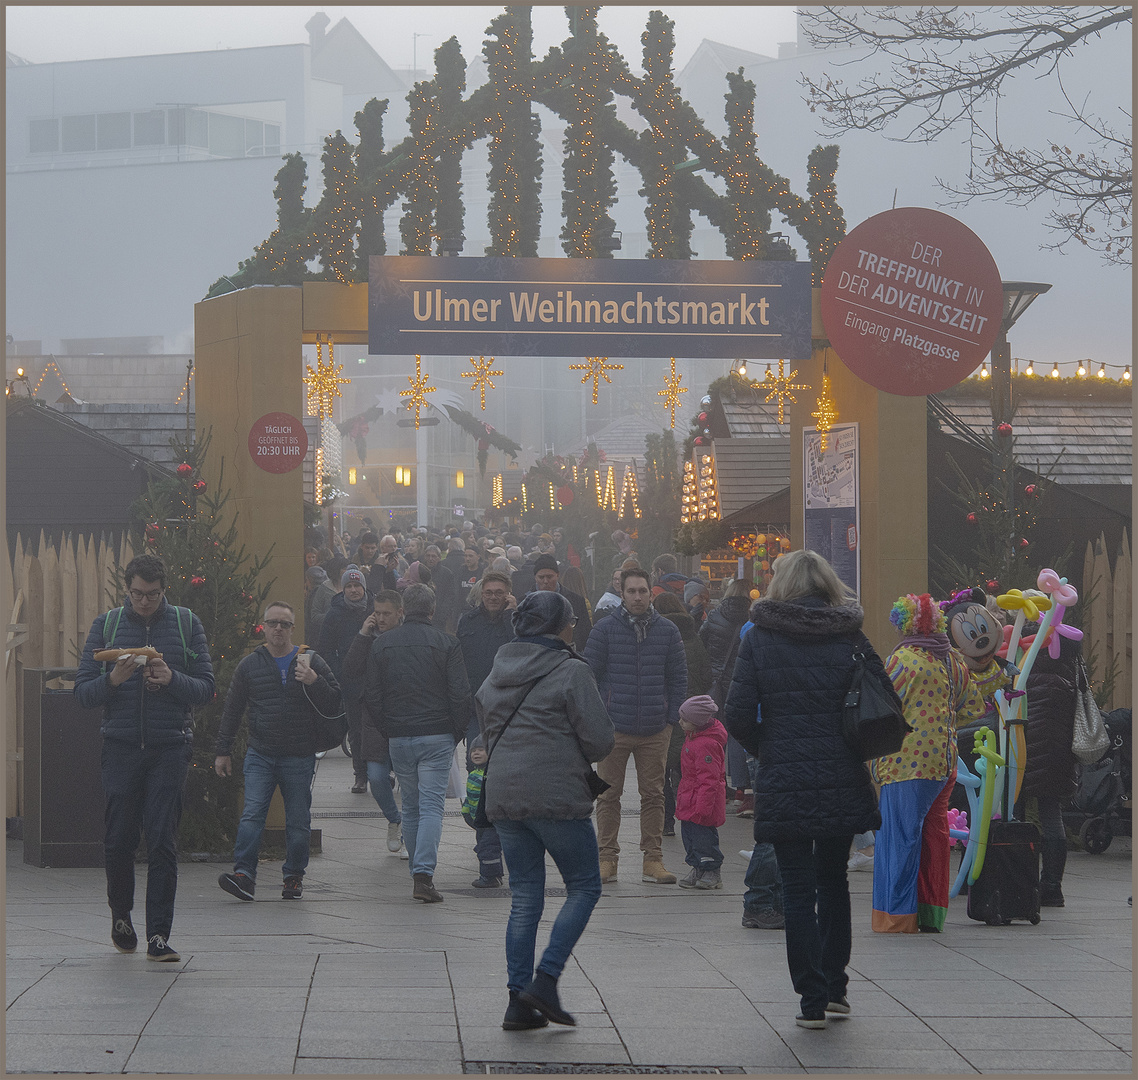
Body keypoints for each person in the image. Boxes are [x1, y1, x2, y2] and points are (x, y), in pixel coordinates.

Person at [723, 549, 890, 1029]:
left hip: (786, 775)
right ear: (827, 585)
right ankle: (837, 989)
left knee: (796, 886)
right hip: (840, 772)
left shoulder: (760, 639)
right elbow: (884, 699)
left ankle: (811, 1000)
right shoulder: (849, 635)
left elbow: (735, 712)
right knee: (833, 879)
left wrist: (768, 747)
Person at [476, 590, 616, 1030]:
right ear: (559, 626)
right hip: (555, 795)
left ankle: (518, 1002)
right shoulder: (571, 670)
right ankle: (546, 979)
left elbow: (485, 725)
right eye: (572, 620)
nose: (575, 627)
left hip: (504, 796)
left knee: (525, 898)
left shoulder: (496, 670)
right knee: (584, 886)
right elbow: (599, 740)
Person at [74, 554, 215, 962]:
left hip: (170, 746)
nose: (143, 602)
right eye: (136, 594)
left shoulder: (187, 624)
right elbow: (82, 692)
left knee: (162, 841)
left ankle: (158, 935)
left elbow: (206, 688)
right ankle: (121, 915)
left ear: (163, 590)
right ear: (128, 589)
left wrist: (172, 679)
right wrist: (113, 681)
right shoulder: (108, 625)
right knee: (118, 839)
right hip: (120, 747)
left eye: (151, 595)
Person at [215, 601, 341, 902]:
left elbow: (336, 702)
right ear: (264, 627)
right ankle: (244, 875)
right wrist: (223, 750)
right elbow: (232, 710)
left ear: (292, 628)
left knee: (298, 821)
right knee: (252, 815)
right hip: (261, 753)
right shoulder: (250, 665)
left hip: (299, 754)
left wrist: (315, 681)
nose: (278, 629)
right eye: (273, 623)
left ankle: (293, 877)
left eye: (284, 624)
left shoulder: (311, 660)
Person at [872, 593, 983, 934]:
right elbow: (972, 707)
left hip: (906, 764)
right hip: (944, 763)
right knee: (935, 837)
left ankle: (896, 917)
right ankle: (931, 915)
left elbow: (882, 706)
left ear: (902, 624)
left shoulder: (901, 661)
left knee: (899, 837)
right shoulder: (951, 661)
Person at [364, 583, 471, 903]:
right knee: (431, 807)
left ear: (404, 610)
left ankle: (416, 868)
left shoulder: (383, 644)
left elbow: (372, 694)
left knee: (410, 805)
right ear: (433, 610)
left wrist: (388, 728)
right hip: (437, 734)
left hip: (399, 735)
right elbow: (461, 694)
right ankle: (423, 874)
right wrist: (456, 732)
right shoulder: (447, 643)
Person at [584, 566, 688, 885]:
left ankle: (652, 860)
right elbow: (588, 673)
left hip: (656, 727)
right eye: (632, 591)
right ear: (622, 594)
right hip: (615, 727)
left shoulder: (667, 630)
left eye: (643, 591)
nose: (638, 597)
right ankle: (606, 859)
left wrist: (671, 720)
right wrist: (600, 713)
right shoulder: (604, 630)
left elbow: (678, 677)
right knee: (607, 795)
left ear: (651, 592)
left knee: (654, 794)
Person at [455, 570, 518, 886]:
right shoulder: (467, 623)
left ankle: (509, 851)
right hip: (476, 715)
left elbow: (523, 653)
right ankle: (489, 862)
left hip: (513, 715)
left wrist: (511, 617)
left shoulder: (516, 622)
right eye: (488, 592)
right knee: (478, 778)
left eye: (499, 592)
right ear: (481, 594)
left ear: (508, 594)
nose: (493, 596)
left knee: (510, 782)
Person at [1016, 631, 1081, 907]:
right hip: (1058, 760)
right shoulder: (1072, 677)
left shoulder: (1023, 675)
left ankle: (1018, 880)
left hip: (1024, 757)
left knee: (1015, 816)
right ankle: (1052, 886)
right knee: (1052, 817)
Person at [341, 590, 406, 856]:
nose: (380, 618)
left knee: (411, 783)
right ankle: (395, 819)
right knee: (377, 778)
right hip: (374, 720)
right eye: (376, 613)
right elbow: (349, 670)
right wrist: (362, 635)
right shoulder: (367, 638)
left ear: (400, 613)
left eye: (386, 614)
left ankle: (410, 833)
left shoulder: (407, 636)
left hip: (405, 719)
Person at [653, 591, 712, 838]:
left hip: (663, 709)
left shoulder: (655, 637)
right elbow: (707, 675)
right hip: (691, 713)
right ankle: (690, 814)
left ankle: (665, 821)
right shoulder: (694, 636)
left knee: (661, 770)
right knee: (687, 768)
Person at [700, 578, 757, 813]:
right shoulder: (752, 620)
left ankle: (715, 784)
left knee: (714, 733)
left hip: (715, 682)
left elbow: (701, 643)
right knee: (737, 734)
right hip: (739, 680)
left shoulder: (714, 617)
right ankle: (741, 789)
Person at [316, 565, 372, 794]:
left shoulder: (375, 609)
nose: (353, 590)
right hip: (350, 682)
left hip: (376, 679)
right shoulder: (335, 614)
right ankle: (360, 774)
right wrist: (339, 674)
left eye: (357, 585)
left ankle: (382, 770)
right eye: (349, 586)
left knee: (380, 728)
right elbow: (326, 649)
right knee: (356, 730)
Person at [674, 695, 728, 889]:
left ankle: (712, 869)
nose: (680, 722)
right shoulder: (693, 737)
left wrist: (703, 807)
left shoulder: (706, 744)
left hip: (701, 800)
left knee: (704, 837)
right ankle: (697, 866)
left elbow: (709, 780)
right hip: (690, 796)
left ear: (697, 722)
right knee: (689, 836)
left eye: (684, 719)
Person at [531, 553, 591, 651]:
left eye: (549, 577)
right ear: (535, 577)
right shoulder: (525, 603)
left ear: (557, 575)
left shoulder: (577, 601)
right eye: (541, 577)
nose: (545, 581)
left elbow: (585, 635)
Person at [421, 544, 458, 631]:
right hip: (421, 616)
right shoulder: (419, 571)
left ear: (439, 557)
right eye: (428, 556)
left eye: (433, 556)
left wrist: (443, 615)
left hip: (438, 618)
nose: (430, 559)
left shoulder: (446, 574)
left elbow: (450, 595)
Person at [309, 555, 346, 642]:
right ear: (336, 570)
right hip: (327, 636)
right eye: (344, 568)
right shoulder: (324, 588)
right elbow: (314, 615)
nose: (347, 571)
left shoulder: (351, 587)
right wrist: (332, 617)